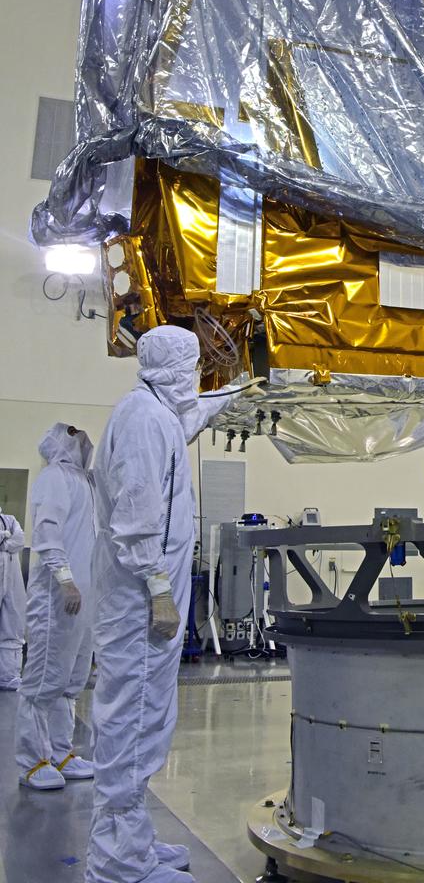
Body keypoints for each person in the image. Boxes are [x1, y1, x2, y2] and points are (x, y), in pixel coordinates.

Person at [85, 325, 263, 883]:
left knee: (147, 720)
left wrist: (239, 386)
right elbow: (137, 517)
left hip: (146, 595)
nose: (196, 376)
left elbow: (190, 417)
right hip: (140, 600)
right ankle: (117, 862)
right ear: (173, 369)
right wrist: (158, 588)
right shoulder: (142, 420)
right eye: (193, 367)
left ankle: (131, 837)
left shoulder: (156, 413)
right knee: (132, 722)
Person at [16, 422, 97, 790]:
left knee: (70, 682)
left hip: (85, 600)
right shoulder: (54, 478)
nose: (83, 440)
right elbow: (47, 531)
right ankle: (32, 761)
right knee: (43, 681)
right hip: (57, 598)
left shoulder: (85, 482)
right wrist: (65, 578)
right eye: (75, 436)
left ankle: (61, 752)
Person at [0, 502, 26, 691]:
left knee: (13, 623)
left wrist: (4, 541)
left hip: (12, 576)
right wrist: (6, 537)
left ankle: (8, 675)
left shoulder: (9, 520)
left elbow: (19, 540)